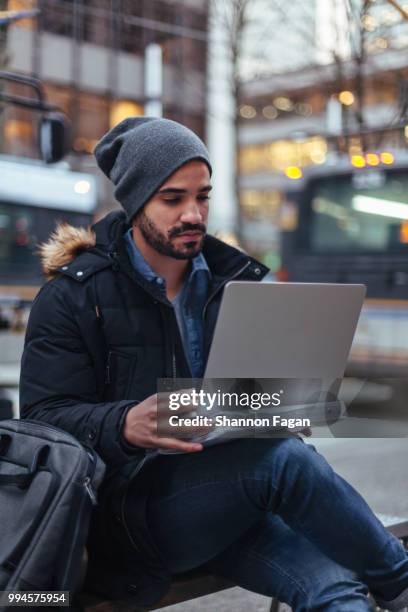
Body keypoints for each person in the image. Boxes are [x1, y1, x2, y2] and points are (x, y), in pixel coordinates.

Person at [20, 117, 408, 611]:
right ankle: (400, 582)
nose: (193, 213)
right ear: (136, 202)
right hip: (128, 515)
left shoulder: (232, 284)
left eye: (202, 196)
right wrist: (122, 424)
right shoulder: (72, 296)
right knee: (281, 463)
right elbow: (40, 421)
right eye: (173, 199)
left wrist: (291, 405)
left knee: (335, 588)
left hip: (228, 496)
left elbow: (240, 402)